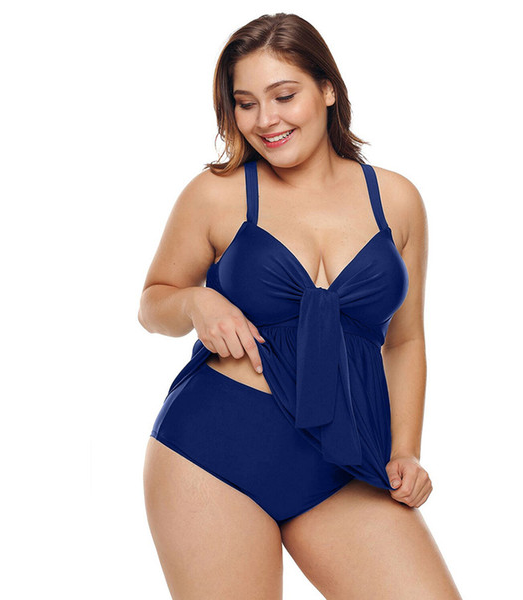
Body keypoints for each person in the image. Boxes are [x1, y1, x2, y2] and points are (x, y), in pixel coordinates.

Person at [139, 12, 462, 600]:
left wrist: (406, 451)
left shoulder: (396, 200)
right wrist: (195, 301)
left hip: (346, 459)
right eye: (245, 103)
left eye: (284, 96)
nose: (266, 120)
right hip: (214, 450)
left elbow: (406, 340)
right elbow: (152, 302)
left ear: (327, 90)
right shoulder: (217, 192)